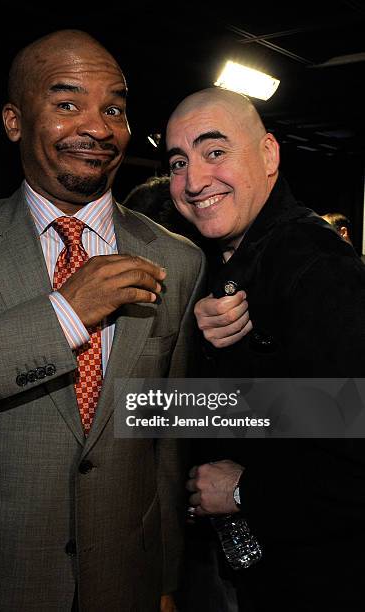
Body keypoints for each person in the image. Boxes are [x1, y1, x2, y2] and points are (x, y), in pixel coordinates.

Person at [0, 30, 206, 611]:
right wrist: (63, 315)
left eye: (113, 107)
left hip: (122, 582)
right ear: (14, 121)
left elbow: (163, 435)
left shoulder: (179, 260)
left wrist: (165, 577)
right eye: (68, 104)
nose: (97, 127)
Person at [166, 88, 365, 612]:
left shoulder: (317, 268)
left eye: (215, 152)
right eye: (178, 161)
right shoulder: (225, 259)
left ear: (270, 154)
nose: (194, 181)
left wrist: (244, 491)